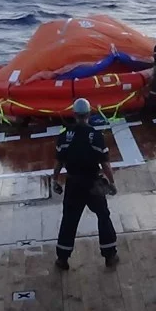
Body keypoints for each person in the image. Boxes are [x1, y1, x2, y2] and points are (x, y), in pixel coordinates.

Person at [52, 97, 119, 270]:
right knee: (103, 216)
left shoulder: (63, 136)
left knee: (69, 220)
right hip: (93, 183)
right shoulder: (96, 136)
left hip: (73, 183)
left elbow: (58, 162)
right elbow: (105, 163)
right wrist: (111, 183)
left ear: (74, 114)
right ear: (89, 113)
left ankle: (62, 258)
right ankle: (110, 255)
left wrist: (55, 180)